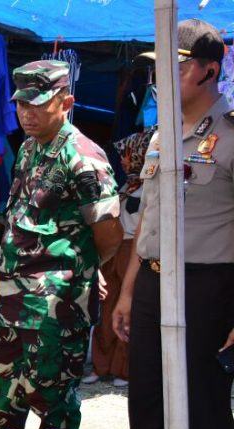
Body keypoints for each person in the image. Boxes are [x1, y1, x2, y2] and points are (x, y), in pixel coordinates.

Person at [114, 19, 234, 429]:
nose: (164, 75)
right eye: (159, 64)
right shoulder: (162, 131)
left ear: (210, 69)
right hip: (155, 281)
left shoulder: (231, 132)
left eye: (177, 64)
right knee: (147, 405)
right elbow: (151, 218)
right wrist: (128, 287)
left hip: (210, 286)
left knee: (202, 409)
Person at [0, 60, 122, 429]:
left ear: (66, 102)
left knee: (53, 409)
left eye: (38, 104)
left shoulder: (83, 157)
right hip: (14, 299)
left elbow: (109, 233)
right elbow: (17, 223)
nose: (27, 113)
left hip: (54, 309)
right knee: (0, 406)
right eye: (21, 104)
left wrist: (82, 268)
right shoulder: (28, 149)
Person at [86, 128, 154, 387]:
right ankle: (101, 366)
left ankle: (123, 368)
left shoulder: (150, 187)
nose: (124, 159)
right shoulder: (127, 185)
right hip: (115, 251)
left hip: (133, 252)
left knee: (129, 310)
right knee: (106, 308)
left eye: (128, 154)